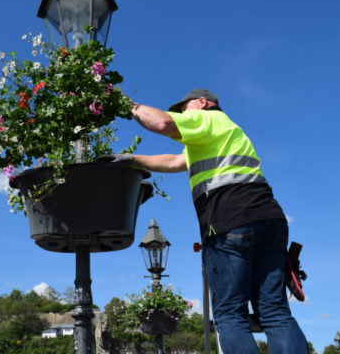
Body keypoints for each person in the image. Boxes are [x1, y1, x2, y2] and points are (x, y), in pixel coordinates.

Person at [125, 89, 307, 354]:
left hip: (230, 218)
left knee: (230, 313)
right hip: (269, 217)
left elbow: (162, 122)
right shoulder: (222, 133)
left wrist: (128, 104)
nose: (182, 116)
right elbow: (175, 161)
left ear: (202, 103)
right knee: (274, 311)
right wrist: (129, 159)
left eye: (184, 110)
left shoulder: (208, 119)